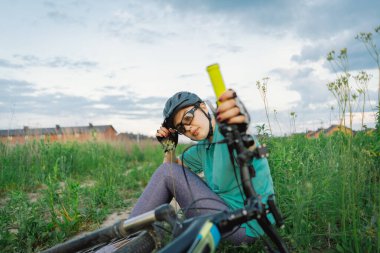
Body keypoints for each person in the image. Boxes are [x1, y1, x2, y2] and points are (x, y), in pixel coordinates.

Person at [129, 90, 275, 245]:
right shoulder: (203, 148)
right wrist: (169, 146)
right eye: (181, 129)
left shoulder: (229, 134)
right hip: (225, 216)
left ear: (204, 107)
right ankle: (133, 238)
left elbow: (246, 145)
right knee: (169, 171)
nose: (188, 128)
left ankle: (125, 239)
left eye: (188, 118)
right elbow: (172, 171)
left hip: (246, 226)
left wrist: (237, 125)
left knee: (167, 173)